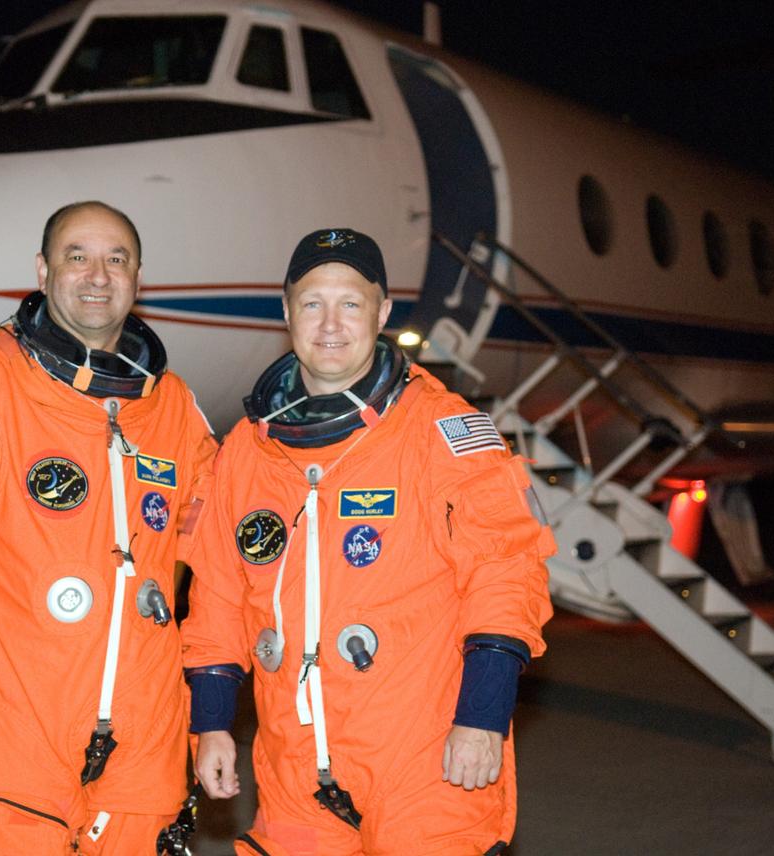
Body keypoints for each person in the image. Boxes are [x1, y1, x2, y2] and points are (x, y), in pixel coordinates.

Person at [180, 228, 555, 855]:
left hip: (425, 759)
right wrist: (212, 724)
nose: (331, 324)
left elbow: (506, 573)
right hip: (294, 766)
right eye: (311, 303)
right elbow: (217, 594)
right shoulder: (246, 450)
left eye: (350, 304)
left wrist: (483, 717)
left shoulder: (444, 431)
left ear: (381, 313)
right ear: (286, 311)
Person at [0, 201, 217, 854]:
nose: (97, 275)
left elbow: (225, 556)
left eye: (115, 259)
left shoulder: (172, 407)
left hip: (144, 736)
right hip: (14, 727)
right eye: (77, 257)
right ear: (42, 271)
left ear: (138, 279)